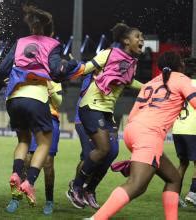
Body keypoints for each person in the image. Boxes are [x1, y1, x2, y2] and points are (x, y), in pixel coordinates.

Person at [0, 5, 81, 206]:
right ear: (51, 31)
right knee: (44, 143)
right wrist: (73, 65)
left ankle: (15, 173)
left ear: (32, 29)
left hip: (13, 99)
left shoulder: (20, 42)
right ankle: (29, 181)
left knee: (23, 140)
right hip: (36, 98)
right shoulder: (52, 44)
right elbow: (56, 71)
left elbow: (3, 69)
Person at [89, 51, 195, 220]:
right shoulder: (182, 79)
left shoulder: (150, 83)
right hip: (149, 135)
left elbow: (132, 115)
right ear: (180, 65)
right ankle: (96, 218)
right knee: (137, 185)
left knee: (174, 178)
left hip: (133, 130)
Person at [67, 23, 144, 208]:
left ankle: (89, 189)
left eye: (142, 37)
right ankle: (75, 187)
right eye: (138, 36)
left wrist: (150, 87)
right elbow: (84, 69)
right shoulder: (108, 54)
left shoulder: (131, 64)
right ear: (126, 41)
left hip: (107, 112)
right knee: (102, 149)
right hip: (90, 106)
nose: (141, 39)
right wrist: (67, 68)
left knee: (112, 152)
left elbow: (130, 82)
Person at [6, 81, 62, 215]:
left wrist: (51, 91)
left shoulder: (54, 77)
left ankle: (49, 200)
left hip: (50, 119)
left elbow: (58, 101)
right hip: (31, 116)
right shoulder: (27, 73)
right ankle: (16, 197)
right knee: (27, 159)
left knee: (48, 162)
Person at [171, 58, 196, 206]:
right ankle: (193, 192)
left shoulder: (181, 83)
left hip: (178, 128)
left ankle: (174, 196)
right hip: (193, 129)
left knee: (183, 163)